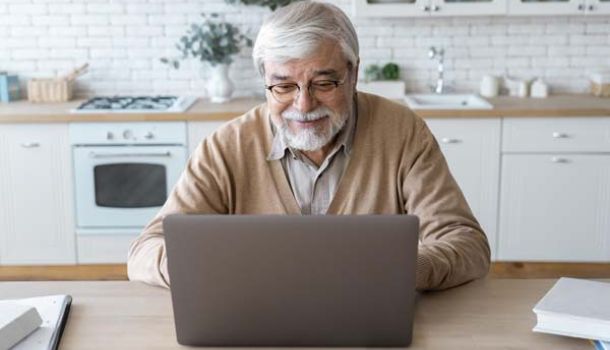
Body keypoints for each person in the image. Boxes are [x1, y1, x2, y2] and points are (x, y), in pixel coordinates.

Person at [128, 0, 490, 291]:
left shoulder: (403, 132)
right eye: (283, 87)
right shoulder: (226, 147)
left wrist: (409, 268)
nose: (303, 105)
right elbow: (145, 251)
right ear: (265, 81)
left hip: (367, 329)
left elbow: (467, 243)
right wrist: (220, 270)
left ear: (354, 74)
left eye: (324, 83)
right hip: (255, 327)